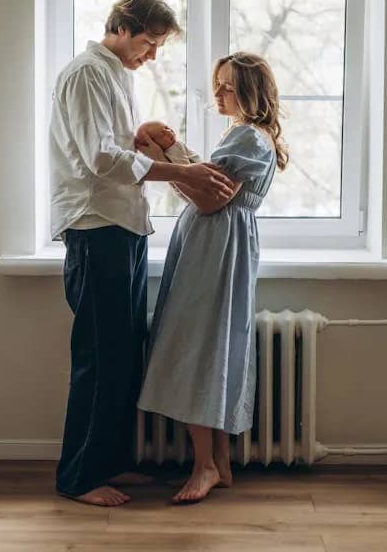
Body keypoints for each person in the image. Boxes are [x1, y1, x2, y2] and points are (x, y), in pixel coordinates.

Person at [49, 0, 235, 507]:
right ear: (123, 27)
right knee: (100, 356)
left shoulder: (114, 76)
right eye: (149, 44)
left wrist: (142, 134)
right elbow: (99, 160)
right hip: (96, 228)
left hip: (124, 226)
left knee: (125, 355)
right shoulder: (87, 72)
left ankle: (109, 462)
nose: (151, 56)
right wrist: (183, 170)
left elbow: (114, 144)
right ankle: (79, 477)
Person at [137, 52, 289, 504]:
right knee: (213, 347)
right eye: (217, 85)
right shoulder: (247, 136)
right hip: (221, 248)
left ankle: (203, 463)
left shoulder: (246, 136)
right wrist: (177, 156)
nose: (218, 94)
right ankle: (218, 462)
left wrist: (165, 161)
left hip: (214, 252)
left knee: (196, 347)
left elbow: (207, 200)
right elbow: (208, 186)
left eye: (227, 86)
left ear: (249, 91)